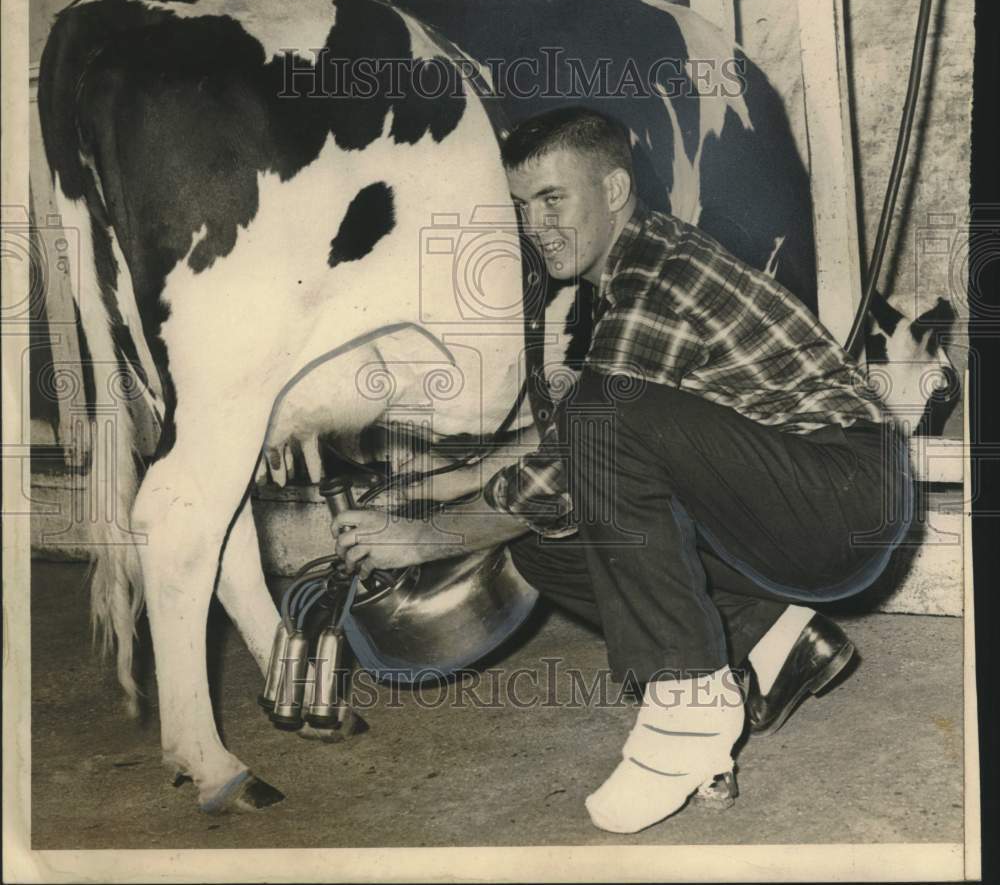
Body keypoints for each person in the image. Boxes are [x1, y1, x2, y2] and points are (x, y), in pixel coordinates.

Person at [331, 107, 913, 834]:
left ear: (612, 190)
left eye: (552, 199)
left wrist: (418, 540)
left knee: (593, 426)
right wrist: (463, 479)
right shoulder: (630, 267)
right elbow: (582, 436)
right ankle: (777, 638)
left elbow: (595, 433)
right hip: (788, 505)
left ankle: (687, 708)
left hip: (842, 492)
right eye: (521, 206)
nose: (535, 225)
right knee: (541, 545)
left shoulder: (659, 274)